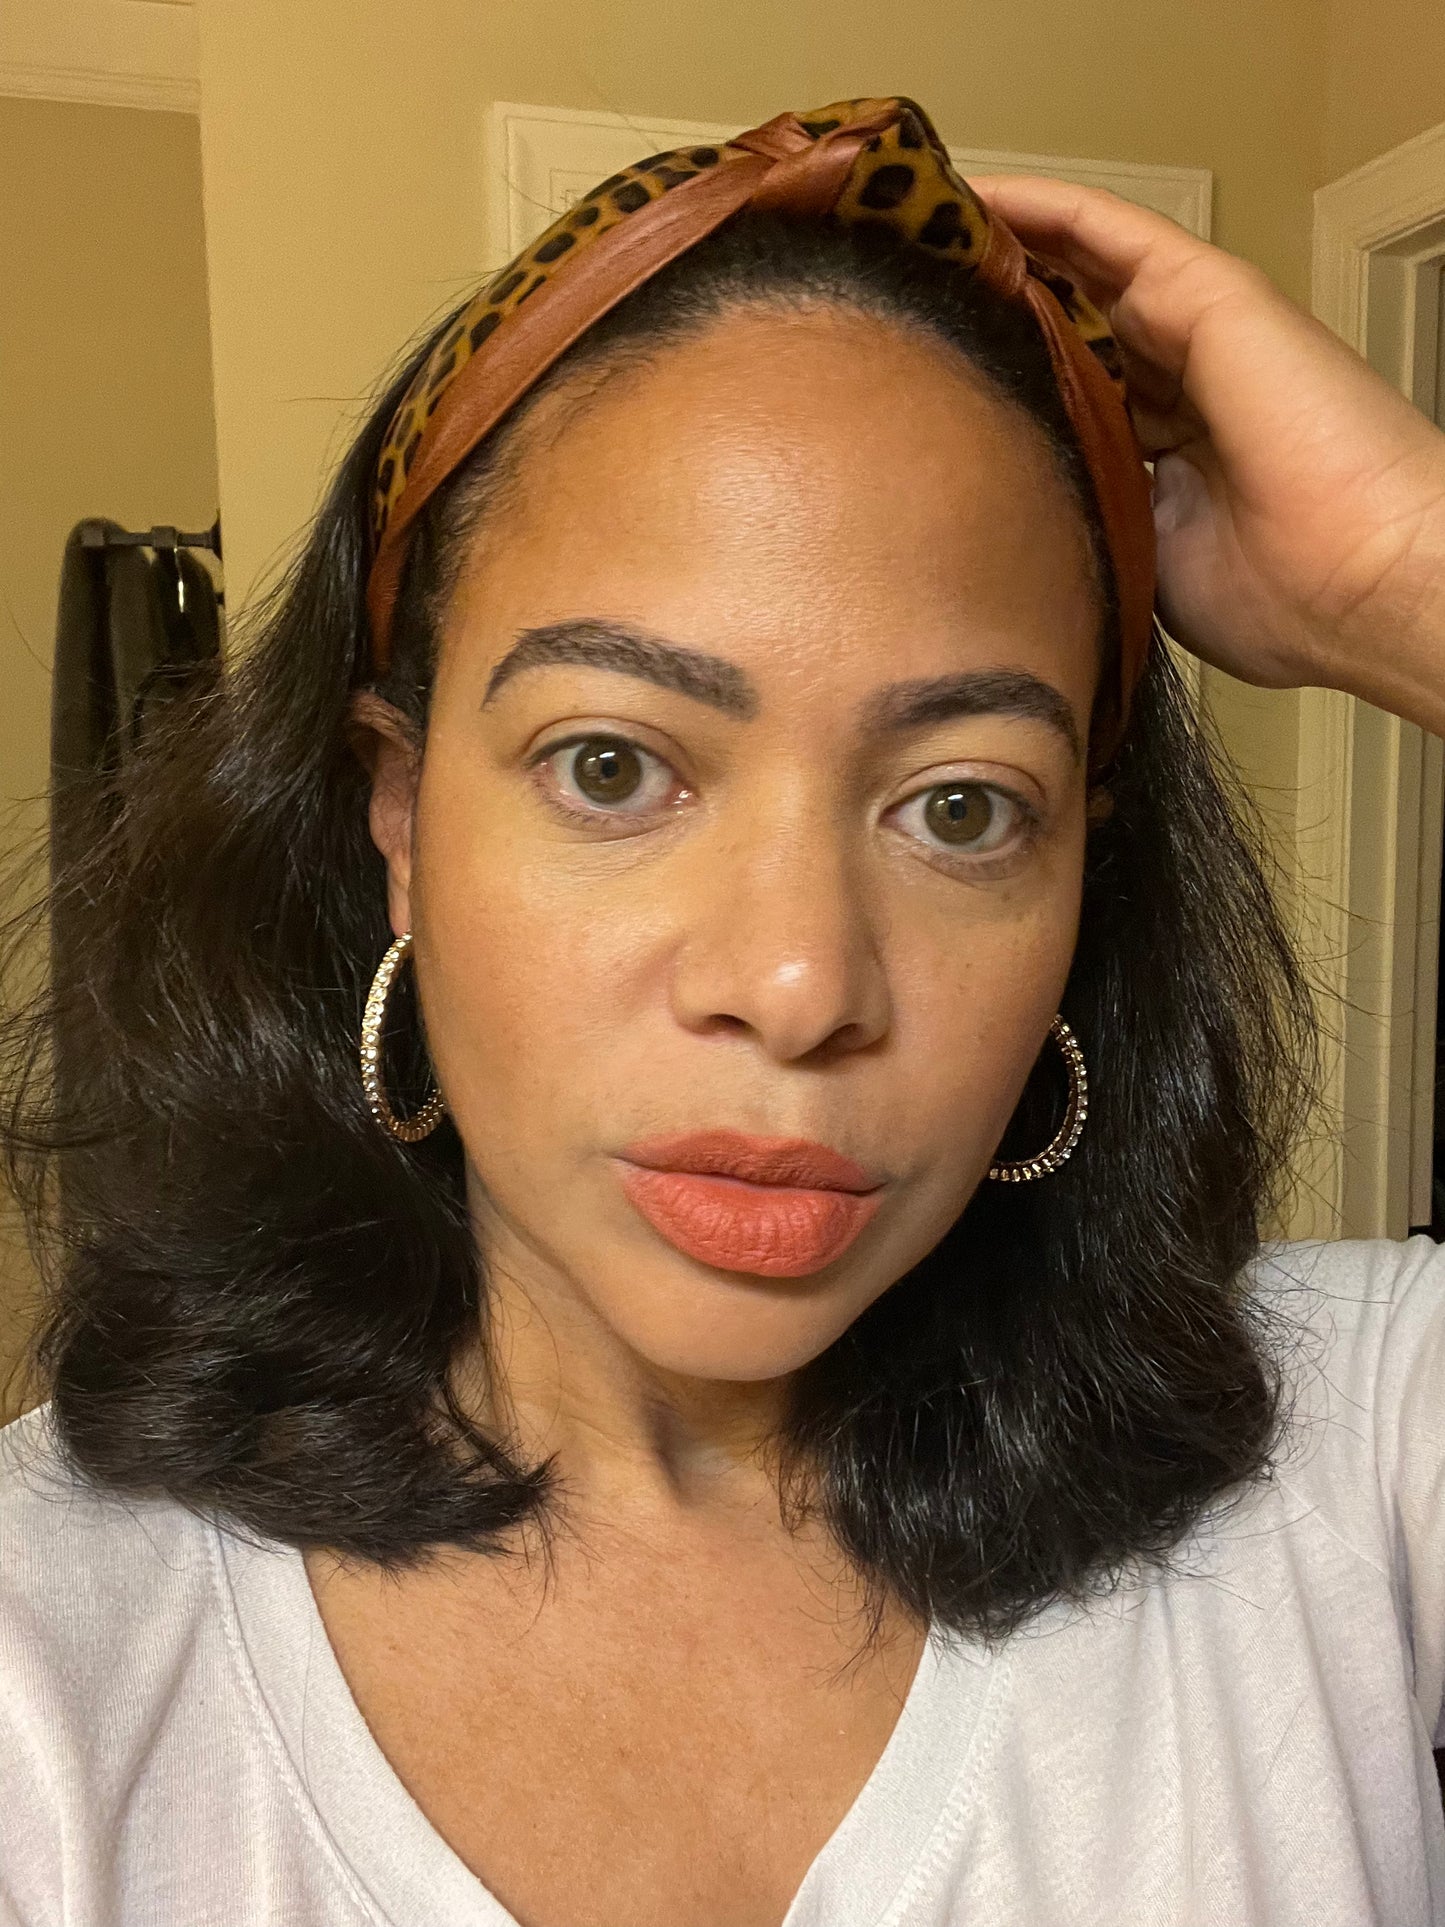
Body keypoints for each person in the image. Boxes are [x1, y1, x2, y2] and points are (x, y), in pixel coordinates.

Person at [2, 94, 1445, 1927]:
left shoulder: (1353, 1459)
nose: (797, 986)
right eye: (612, 766)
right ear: (401, 824)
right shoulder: (49, 1671)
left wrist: (1406, 577)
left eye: (959, 808)